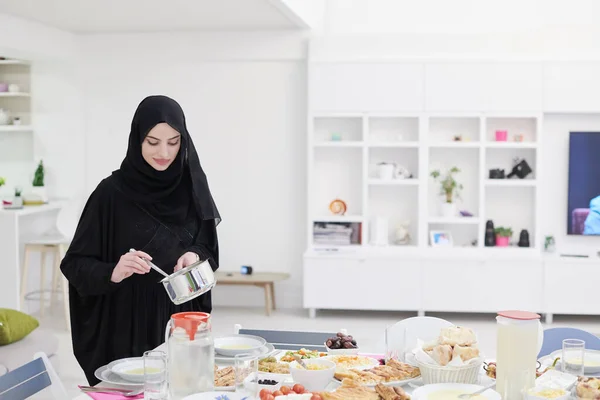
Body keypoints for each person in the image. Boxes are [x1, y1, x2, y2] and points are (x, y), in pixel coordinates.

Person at [60, 95, 221, 385]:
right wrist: (114, 270)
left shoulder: (193, 187)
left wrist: (194, 256)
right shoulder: (110, 194)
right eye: (153, 142)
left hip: (180, 323)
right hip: (126, 325)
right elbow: (74, 264)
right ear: (137, 139)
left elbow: (209, 248)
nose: (164, 152)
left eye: (174, 142)